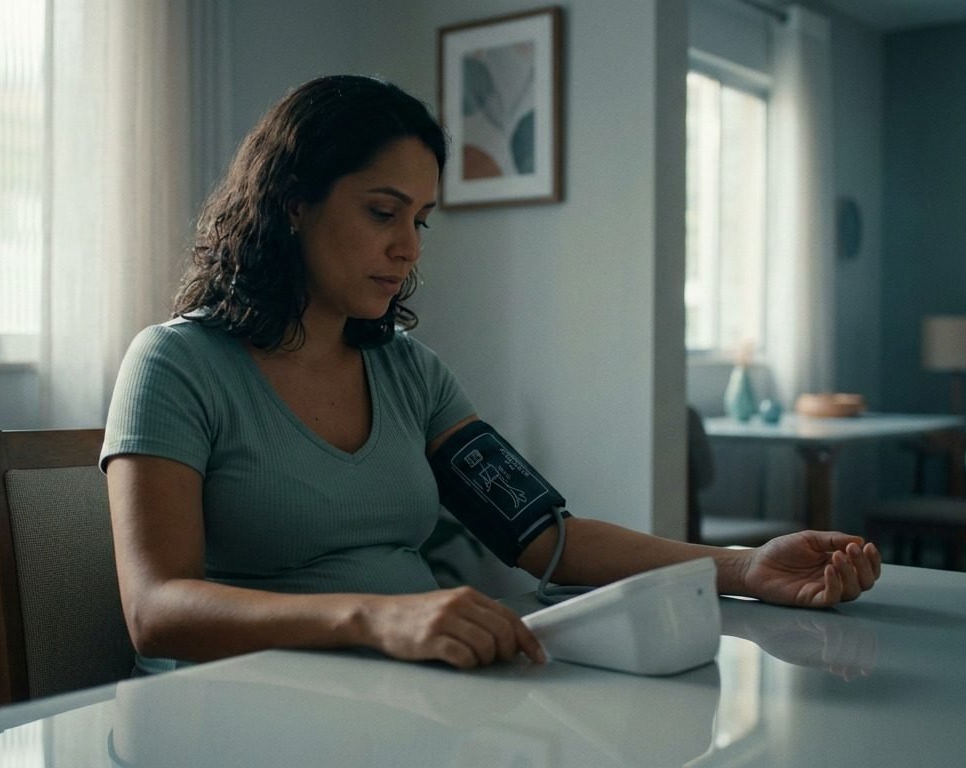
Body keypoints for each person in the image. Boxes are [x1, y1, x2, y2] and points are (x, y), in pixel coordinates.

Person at [101, 74, 880, 675]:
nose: (408, 246)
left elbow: (547, 539)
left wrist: (745, 568)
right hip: (236, 710)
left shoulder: (411, 375)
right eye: (383, 212)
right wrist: (377, 618)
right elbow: (158, 611)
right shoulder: (176, 364)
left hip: (401, 695)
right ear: (293, 203)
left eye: (421, 220)